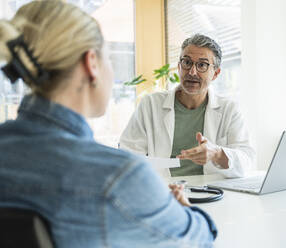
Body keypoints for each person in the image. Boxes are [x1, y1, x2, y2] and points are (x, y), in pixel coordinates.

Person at [0, 1, 217, 247]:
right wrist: (176, 208)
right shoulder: (117, 177)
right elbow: (201, 238)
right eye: (109, 58)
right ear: (91, 63)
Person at [120, 34, 255, 178]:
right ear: (179, 67)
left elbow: (247, 160)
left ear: (215, 73)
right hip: (165, 190)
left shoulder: (229, 109)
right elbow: (128, 154)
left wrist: (216, 154)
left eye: (202, 65)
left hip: (214, 193)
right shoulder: (150, 105)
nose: (192, 72)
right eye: (187, 62)